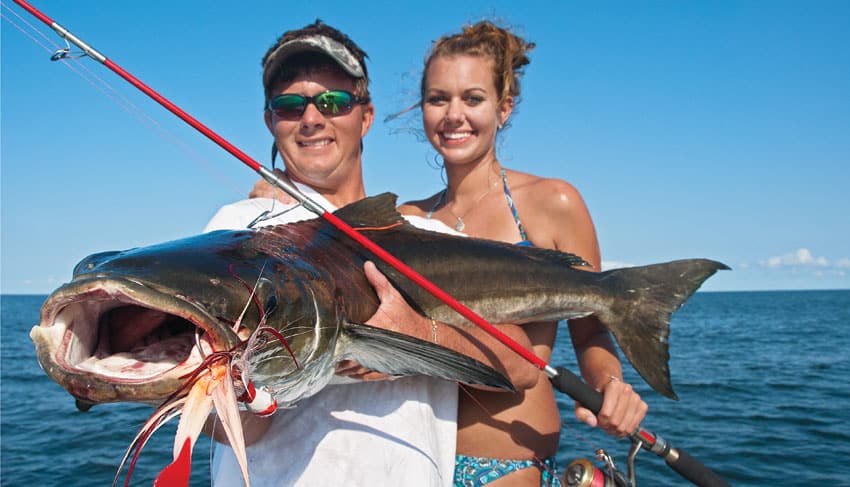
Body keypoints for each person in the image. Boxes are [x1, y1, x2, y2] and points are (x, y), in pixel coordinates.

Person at [205, 20, 538, 486]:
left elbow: (524, 365)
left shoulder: (428, 235)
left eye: (333, 102)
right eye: (289, 105)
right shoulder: (238, 231)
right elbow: (231, 427)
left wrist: (421, 335)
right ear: (270, 122)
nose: (311, 118)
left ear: (365, 116)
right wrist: (230, 389)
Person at [390, 21, 650, 486]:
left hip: (505, 464)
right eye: (438, 99)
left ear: (503, 108)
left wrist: (609, 385)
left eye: (473, 98)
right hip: (410, 461)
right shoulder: (407, 219)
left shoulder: (553, 202)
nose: (454, 115)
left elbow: (591, 326)